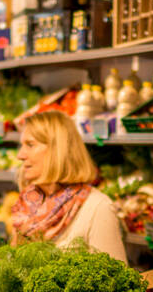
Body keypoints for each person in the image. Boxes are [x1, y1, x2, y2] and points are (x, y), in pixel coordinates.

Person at [11, 110, 127, 263]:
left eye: (30, 145)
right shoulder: (26, 206)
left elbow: (118, 281)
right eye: (22, 145)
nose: (20, 155)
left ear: (57, 150)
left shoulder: (97, 208)